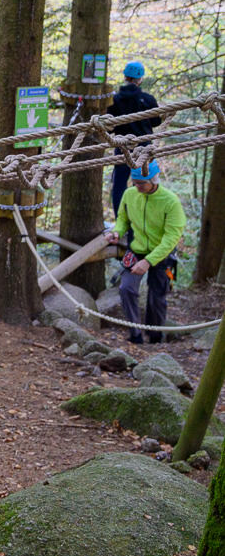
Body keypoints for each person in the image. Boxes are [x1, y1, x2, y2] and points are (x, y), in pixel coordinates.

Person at [105, 161, 185, 344]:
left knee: (157, 296)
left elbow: (171, 238)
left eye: (142, 183)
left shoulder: (170, 201)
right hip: (137, 249)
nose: (137, 186)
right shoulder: (130, 194)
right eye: (134, 182)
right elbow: (122, 220)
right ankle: (135, 335)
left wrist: (149, 261)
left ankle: (156, 337)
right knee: (126, 289)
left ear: (154, 180)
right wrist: (116, 232)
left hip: (163, 254)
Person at [107, 61, 160, 214]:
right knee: (146, 182)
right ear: (140, 79)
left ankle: (120, 220)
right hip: (145, 147)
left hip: (123, 147)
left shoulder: (115, 100)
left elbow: (110, 127)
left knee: (119, 184)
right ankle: (143, 217)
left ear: (125, 77)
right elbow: (156, 121)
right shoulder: (148, 99)